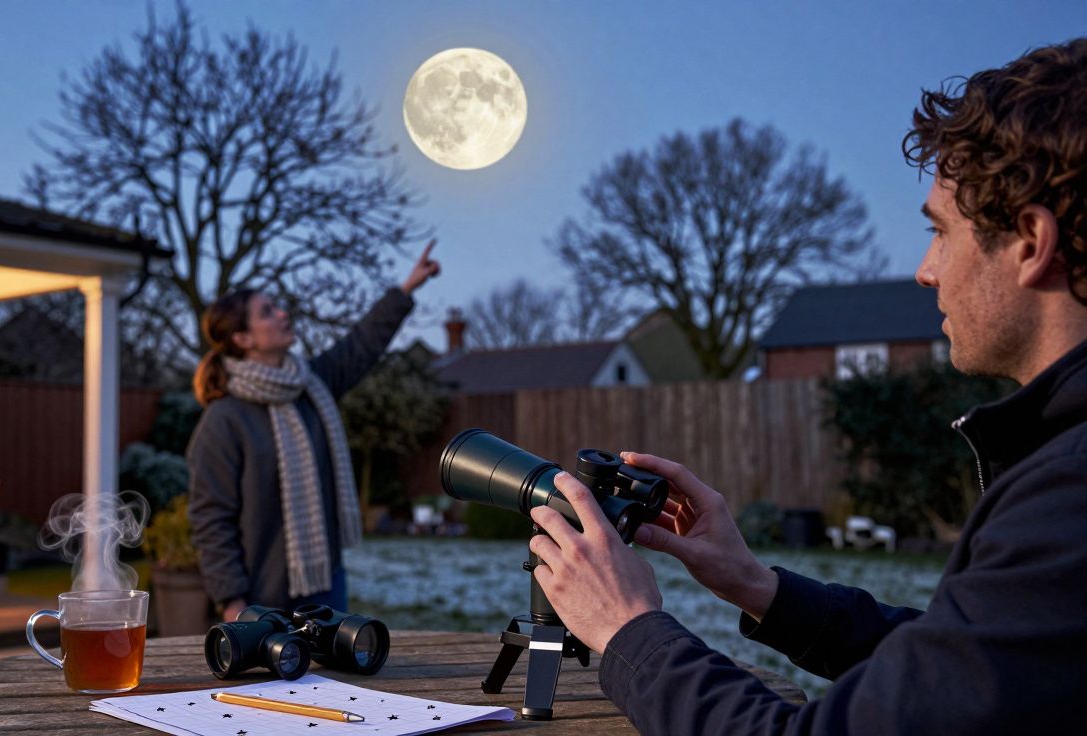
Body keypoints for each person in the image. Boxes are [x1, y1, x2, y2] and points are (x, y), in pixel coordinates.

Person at [528, 38, 1087, 735]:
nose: (926, 270)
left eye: (941, 233)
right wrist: (758, 586)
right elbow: (960, 680)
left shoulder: (1067, 502)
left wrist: (628, 628)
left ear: (1031, 243)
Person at [187, 241, 441, 622]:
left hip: (327, 582)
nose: (282, 314)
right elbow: (211, 518)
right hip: (260, 597)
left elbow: (361, 345)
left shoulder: (311, 387)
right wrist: (231, 599)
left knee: (331, 680)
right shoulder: (225, 420)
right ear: (243, 339)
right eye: (267, 312)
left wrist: (406, 289)